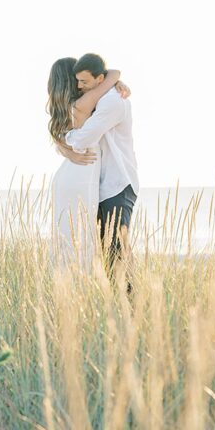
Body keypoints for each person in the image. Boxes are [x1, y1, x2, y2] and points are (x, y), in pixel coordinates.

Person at [58, 53, 139, 291]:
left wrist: (65, 140)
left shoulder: (113, 101)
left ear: (99, 79)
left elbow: (83, 138)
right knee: (108, 249)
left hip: (118, 182)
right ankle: (122, 302)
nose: (79, 87)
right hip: (102, 185)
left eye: (84, 82)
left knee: (116, 249)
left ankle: (130, 303)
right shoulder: (100, 96)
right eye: (77, 82)